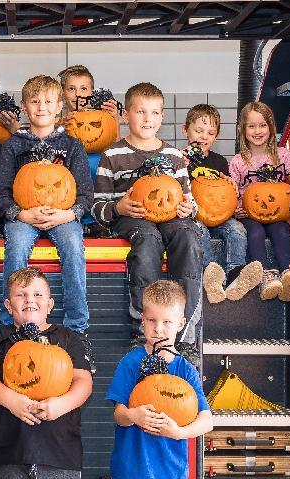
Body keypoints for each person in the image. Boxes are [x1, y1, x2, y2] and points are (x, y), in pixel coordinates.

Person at [0, 267, 93, 479]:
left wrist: (60, 405)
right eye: (21, 294)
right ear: (8, 305)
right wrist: (10, 399)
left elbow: (84, 382)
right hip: (9, 453)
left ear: (50, 304)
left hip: (60, 455)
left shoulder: (68, 338)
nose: (29, 300)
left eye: (38, 294)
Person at [91, 82, 202, 357]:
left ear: (162, 117)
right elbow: (96, 207)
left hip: (171, 218)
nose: (147, 119)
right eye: (140, 112)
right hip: (133, 220)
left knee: (188, 237)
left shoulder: (175, 157)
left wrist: (190, 210)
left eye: (154, 113)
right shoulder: (112, 155)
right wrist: (119, 208)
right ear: (126, 115)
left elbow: (190, 201)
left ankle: (184, 332)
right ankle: (143, 327)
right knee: (147, 239)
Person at [106, 280, 213, 479]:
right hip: (129, 477)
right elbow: (118, 415)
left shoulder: (185, 370)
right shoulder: (131, 363)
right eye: (152, 321)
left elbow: (207, 419)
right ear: (142, 320)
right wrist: (133, 415)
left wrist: (179, 432)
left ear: (181, 323)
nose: (158, 329)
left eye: (167, 322)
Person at [0, 74, 93, 335]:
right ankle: (10, 324)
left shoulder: (72, 146)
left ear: (60, 105)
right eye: (35, 102)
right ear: (24, 108)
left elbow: (85, 195)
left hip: (63, 216)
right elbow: (1, 194)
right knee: (15, 248)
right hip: (24, 217)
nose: (42, 107)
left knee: (73, 246)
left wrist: (68, 215)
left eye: (49, 101)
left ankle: (77, 328)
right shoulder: (13, 146)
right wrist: (21, 214)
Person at [181, 104, 262, 303]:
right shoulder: (179, 159)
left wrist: (231, 187)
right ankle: (211, 273)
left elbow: (226, 191)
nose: (204, 137)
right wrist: (179, 167)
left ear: (216, 136)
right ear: (185, 130)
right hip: (193, 216)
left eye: (210, 133)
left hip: (218, 217)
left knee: (237, 229)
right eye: (198, 131)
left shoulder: (219, 162)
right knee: (199, 230)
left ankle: (235, 273)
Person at [229, 101, 290, 302]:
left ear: (271, 127)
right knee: (255, 232)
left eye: (263, 125)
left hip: (276, 212)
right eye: (251, 126)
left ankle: (288, 273)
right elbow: (230, 194)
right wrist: (236, 209)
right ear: (242, 130)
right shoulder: (237, 161)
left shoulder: (283, 155)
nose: (258, 130)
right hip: (250, 214)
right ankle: (264, 276)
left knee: (281, 230)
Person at [57, 65, 119, 177]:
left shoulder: (101, 119)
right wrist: (59, 129)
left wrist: (114, 120)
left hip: (100, 182)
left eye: (83, 89)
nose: (78, 95)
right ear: (63, 93)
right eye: (71, 89)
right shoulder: (56, 123)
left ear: (92, 93)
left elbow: (116, 152)